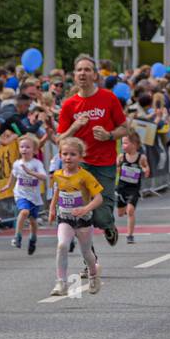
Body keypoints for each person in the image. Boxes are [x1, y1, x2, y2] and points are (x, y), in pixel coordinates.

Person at [57, 55, 126, 247]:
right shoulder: (69, 105)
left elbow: (125, 128)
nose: (83, 73)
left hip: (105, 163)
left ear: (95, 75)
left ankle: (108, 225)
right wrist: (75, 127)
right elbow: (59, 139)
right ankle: (90, 261)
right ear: (74, 75)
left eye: (87, 70)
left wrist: (109, 135)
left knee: (102, 216)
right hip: (81, 165)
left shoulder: (108, 98)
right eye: (79, 70)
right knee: (82, 215)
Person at [48, 137, 103, 297]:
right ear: (59, 155)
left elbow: (99, 198)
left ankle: (93, 275)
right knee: (62, 246)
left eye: (72, 154)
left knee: (86, 253)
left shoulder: (85, 176)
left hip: (83, 220)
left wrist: (85, 208)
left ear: (80, 157)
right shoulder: (57, 175)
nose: (68, 157)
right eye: (65, 154)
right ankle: (61, 283)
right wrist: (52, 209)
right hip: (65, 219)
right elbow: (57, 193)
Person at [7, 133, 49, 254]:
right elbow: (13, 174)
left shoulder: (36, 164)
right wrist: (8, 185)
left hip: (34, 197)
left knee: (33, 222)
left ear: (35, 150)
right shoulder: (17, 163)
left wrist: (30, 172)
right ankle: (17, 237)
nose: (24, 149)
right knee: (24, 212)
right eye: (22, 147)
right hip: (21, 194)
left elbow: (44, 176)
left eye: (27, 147)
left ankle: (33, 239)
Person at [115, 129, 150, 243]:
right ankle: (125, 208)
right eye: (122, 143)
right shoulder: (121, 157)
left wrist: (144, 169)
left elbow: (146, 169)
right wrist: (118, 167)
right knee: (120, 214)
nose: (123, 145)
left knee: (130, 211)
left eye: (125, 143)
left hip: (134, 189)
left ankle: (130, 235)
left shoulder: (141, 157)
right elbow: (116, 169)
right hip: (121, 188)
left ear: (134, 144)